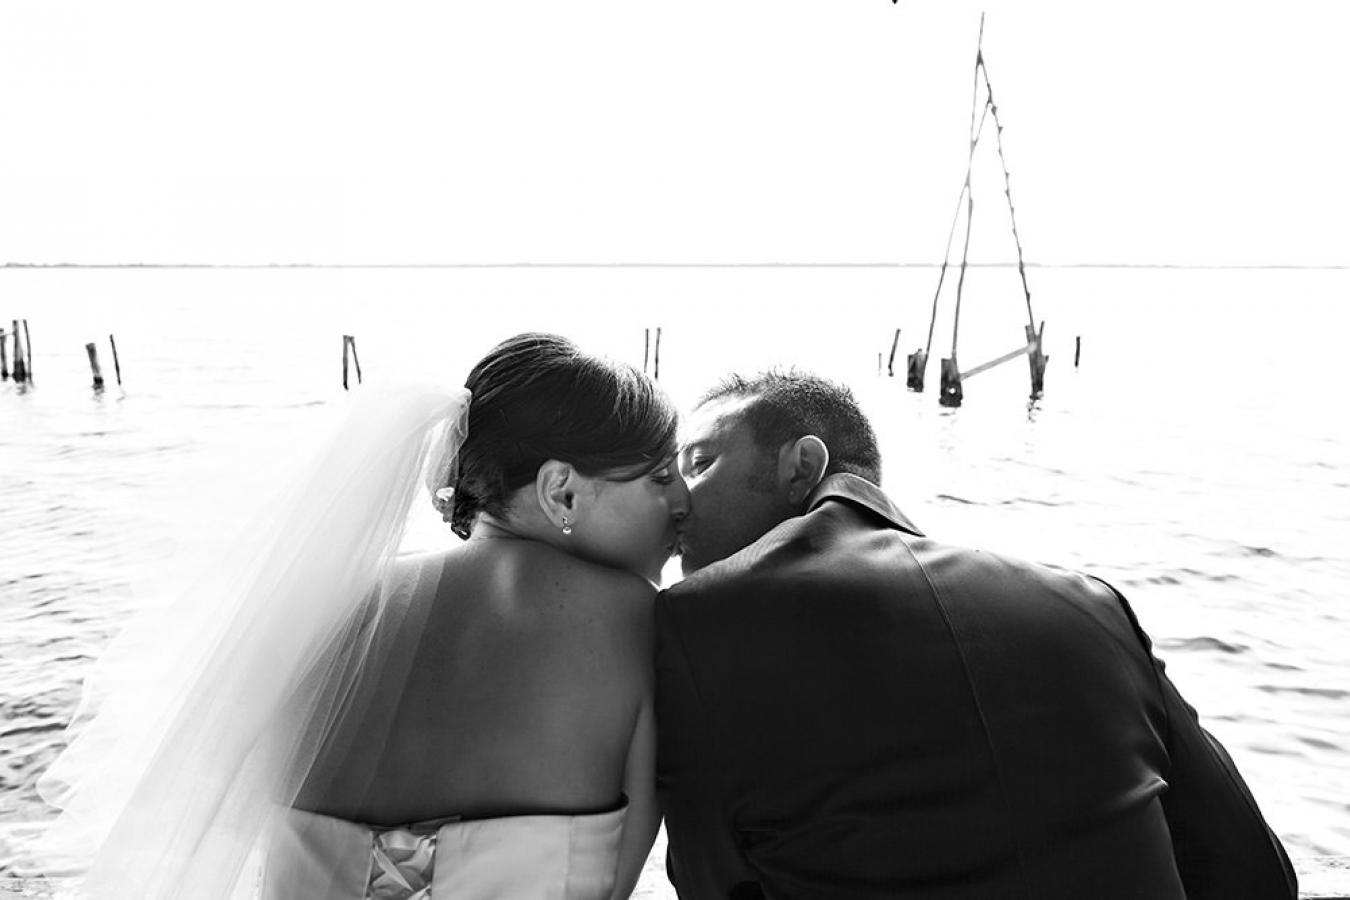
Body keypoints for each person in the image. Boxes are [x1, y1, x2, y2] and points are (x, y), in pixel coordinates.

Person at [37, 333, 688, 899]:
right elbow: (626, 870)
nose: (684, 501)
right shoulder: (634, 620)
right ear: (560, 489)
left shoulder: (319, 610)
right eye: (659, 477)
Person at [656, 370, 1297, 899]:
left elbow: (712, 884)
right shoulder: (1089, 605)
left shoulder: (692, 623)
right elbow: (1255, 873)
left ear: (803, 467)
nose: (677, 499)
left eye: (700, 462)